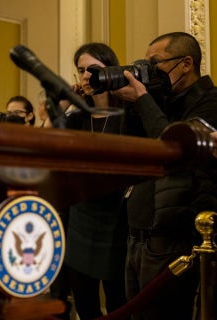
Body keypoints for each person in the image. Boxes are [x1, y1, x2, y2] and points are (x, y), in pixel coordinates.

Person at [114, 32, 217, 319]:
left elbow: (176, 150)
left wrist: (142, 99)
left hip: (175, 238)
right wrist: (134, 104)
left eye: (156, 64)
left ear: (186, 63)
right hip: (137, 233)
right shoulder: (158, 102)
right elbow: (130, 152)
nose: (150, 72)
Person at [64, 43, 128, 319]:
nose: (86, 76)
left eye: (94, 70)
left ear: (110, 70)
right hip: (81, 214)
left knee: (118, 300)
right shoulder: (77, 116)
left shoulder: (129, 112)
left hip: (116, 217)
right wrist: (67, 106)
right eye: (81, 71)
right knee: (84, 300)